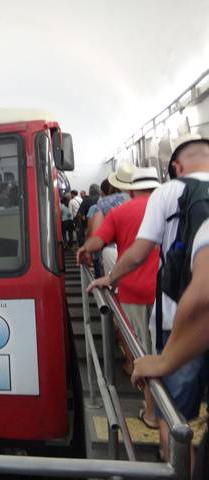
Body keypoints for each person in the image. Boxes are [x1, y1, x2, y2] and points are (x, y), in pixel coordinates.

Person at [88, 133, 209, 462]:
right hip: (183, 309)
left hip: (179, 319)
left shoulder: (170, 192)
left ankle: (169, 460)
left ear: (176, 166)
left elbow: (139, 252)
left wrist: (109, 277)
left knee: (175, 416)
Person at [77, 165, 161, 429]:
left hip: (134, 293)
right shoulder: (174, 209)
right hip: (170, 294)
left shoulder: (120, 212)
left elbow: (97, 242)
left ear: (130, 189)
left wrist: (83, 251)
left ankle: (152, 414)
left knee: (145, 353)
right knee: (166, 352)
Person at [132, 218, 209, 479]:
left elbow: (202, 302)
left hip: (167, 315)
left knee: (173, 414)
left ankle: (174, 463)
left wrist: (165, 362)